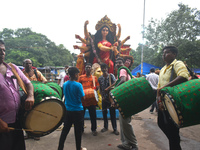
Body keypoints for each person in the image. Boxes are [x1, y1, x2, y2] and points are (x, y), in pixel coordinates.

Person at [0, 40, 34, 150]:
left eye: (4, 50)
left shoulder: (12, 68)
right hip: (2, 125)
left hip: (16, 121)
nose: (2, 53)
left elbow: (28, 84)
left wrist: (30, 96)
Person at [157, 46, 189, 150]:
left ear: (174, 54)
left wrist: (164, 88)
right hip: (163, 102)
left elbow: (184, 76)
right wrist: (158, 99)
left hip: (173, 102)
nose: (164, 55)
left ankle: (175, 144)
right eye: (163, 53)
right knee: (161, 123)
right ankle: (175, 142)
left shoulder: (177, 63)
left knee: (172, 130)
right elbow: (159, 86)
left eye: (167, 53)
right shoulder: (162, 69)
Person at [110, 57, 138, 150]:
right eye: (116, 63)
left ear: (123, 63)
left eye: (120, 62)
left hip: (125, 100)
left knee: (126, 123)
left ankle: (134, 144)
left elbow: (122, 80)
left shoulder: (122, 69)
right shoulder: (125, 71)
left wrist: (114, 91)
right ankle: (125, 143)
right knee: (123, 122)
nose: (118, 64)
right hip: (127, 99)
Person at [58, 67, 86, 150]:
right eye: (78, 74)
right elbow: (83, 99)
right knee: (78, 132)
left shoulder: (65, 84)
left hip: (68, 110)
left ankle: (60, 148)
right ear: (75, 74)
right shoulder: (78, 85)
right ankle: (78, 148)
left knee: (65, 130)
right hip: (77, 111)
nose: (78, 75)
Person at [98, 63, 119, 135]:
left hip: (111, 99)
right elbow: (100, 88)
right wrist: (102, 96)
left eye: (105, 68)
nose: (104, 69)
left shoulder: (111, 76)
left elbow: (115, 83)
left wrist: (108, 88)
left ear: (107, 69)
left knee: (112, 114)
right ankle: (105, 127)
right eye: (102, 68)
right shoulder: (100, 78)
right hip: (104, 99)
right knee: (104, 114)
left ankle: (115, 128)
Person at [78, 63, 99, 136]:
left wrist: (95, 89)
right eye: (87, 67)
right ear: (85, 68)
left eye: (89, 67)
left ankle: (94, 129)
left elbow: (97, 86)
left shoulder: (94, 78)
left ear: (91, 69)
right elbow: (78, 86)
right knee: (81, 116)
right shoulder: (81, 77)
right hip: (83, 100)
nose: (88, 68)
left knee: (93, 116)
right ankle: (81, 130)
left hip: (91, 100)